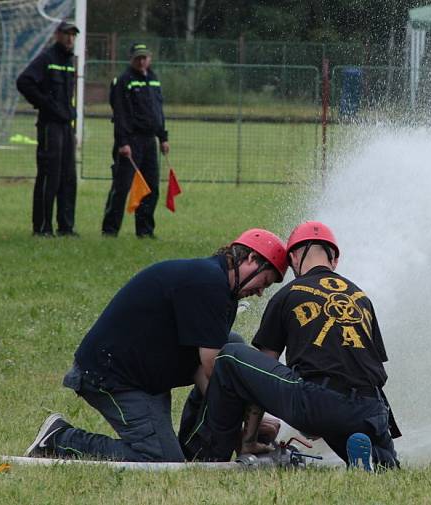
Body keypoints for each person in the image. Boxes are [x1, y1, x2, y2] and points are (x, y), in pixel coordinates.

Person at [23, 229, 288, 462]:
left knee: (231, 346)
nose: (260, 292)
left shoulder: (218, 285)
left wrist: (241, 422)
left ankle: (195, 448)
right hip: (111, 378)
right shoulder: (209, 283)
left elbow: (204, 370)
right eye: (263, 282)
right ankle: (60, 439)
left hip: (146, 379)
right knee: (160, 460)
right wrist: (245, 422)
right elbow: (211, 370)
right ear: (250, 259)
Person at [182, 221, 401, 469]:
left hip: (319, 404)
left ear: (295, 257)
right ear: (335, 260)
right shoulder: (362, 297)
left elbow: (262, 372)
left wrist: (250, 439)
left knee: (231, 355)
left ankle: (209, 457)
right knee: (378, 460)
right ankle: (379, 459)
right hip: (372, 411)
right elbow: (370, 364)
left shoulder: (288, 293)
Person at [16, 21, 79, 237]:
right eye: (66, 34)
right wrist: (47, 104)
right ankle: (42, 227)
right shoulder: (47, 58)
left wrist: (70, 113)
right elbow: (24, 82)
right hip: (50, 126)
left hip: (66, 126)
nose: (70, 38)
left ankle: (66, 227)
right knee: (49, 175)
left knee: (68, 176)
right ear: (57, 35)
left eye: (73, 35)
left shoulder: (70, 62)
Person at [101, 42, 169, 238]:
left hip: (149, 142)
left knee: (151, 187)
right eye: (138, 58)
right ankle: (110, 229)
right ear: (131, 59)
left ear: (150, 58)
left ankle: (145, 230)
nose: (141, 61)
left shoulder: (154, 80)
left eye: (144, 57)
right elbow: (120, 114)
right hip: (130, 141)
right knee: (122, 187)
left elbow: (158, 112)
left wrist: (163, 137)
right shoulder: (123, 81)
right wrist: (123, 142)